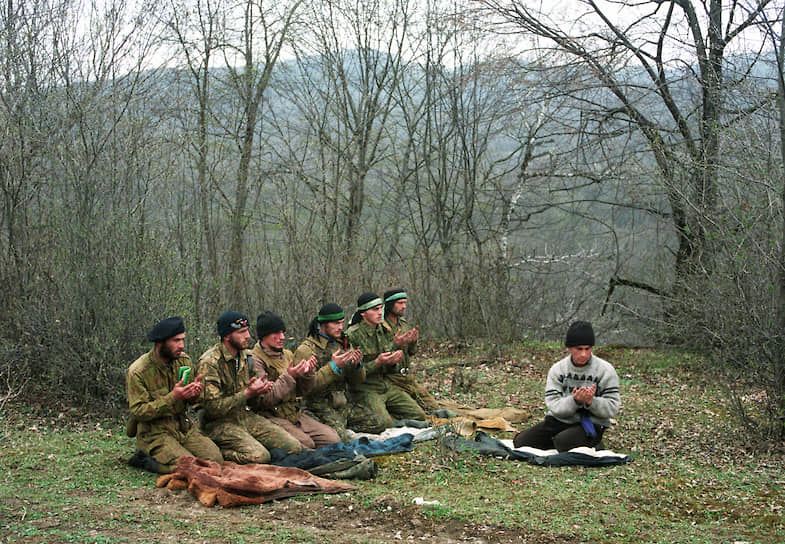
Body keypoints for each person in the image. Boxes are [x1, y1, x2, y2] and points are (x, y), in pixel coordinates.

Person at [197, 310, 303, 464]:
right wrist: (247, 394)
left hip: (244, 417)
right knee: (259, 456)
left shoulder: (246, 358)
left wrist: (260, 391)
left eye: (247, 331)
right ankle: (219, 452)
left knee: (293, 447)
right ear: (227, 336)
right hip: (218, 424)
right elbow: (212, 408)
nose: (247, 336)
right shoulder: (210, 363)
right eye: (241, 332)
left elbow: (255, 403)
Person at [126, 316, 222, 473]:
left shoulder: (183, 362)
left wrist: (195, 393)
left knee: (215, 460)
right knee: (189, 468)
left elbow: (191, 401)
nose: (182, 346)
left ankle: (173, 455)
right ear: (160, 343)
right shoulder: (139, 371)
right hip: (154, 432)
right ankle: (145, 461)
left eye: (182, 340)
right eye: (176, 341)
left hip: (182, 427)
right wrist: (173, 397)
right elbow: (138, 411)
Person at [513, 321, 620, 452]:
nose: (584, 354)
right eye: (579, 349)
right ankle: (573, 440)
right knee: (520, 442)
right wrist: (575, 401)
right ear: (569, 348)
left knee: (562, 442)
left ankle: (592, 441)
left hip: (592, 423)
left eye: (588, 349)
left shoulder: (605, 370)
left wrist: (591, 401)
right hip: (561, 420)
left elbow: (613, 407)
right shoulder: (558, 370)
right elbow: (554, 405)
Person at [249, 311, 342, 449]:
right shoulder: (255, 360)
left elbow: (302, 391)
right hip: (271, 416)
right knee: (305, 445)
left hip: (294, 413)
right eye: (276, 333)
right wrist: (290, 376)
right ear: (264, 335)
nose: (282, 337)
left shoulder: (287, 355)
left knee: (332, 440)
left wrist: (308, 374)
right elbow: (264, 399)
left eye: (283, 332)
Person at [345, 292, 427, 433]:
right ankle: (387, 419)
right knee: (385, 424)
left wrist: (394, 356)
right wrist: (377, 363)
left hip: (385, 385)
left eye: (381, 308)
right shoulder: (352, 335)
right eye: (375, 310)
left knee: (418, 415)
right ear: (364, 314)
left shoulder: (382, 330)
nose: (379, 313)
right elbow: (350, 374)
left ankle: (394, 419)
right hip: (366, 389)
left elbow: (387, 356)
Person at [294, 303, 365, 442]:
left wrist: (357, 366)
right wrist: (332, 367)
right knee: (340, 438)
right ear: (323, 324)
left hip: (342, 402)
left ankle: (340, 424)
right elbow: (305, 388)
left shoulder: (342, 343)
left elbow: (358, 382)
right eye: (335, 324)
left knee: (380, 422)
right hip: (318, 405)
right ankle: (316, 422)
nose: (340, 327)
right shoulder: (306, 350)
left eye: (342, 323)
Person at [383, 288, 440, 412]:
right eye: (400, 303)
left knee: (434, 408)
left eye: (405, 303)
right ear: (390, 304)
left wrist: (413, 343)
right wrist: (396, 344)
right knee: (416, 411)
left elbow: (411, 352)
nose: (404, 306)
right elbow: (382, 353)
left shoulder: (403, 324)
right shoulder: (381, 326)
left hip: (407, 377)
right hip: (390, 379)